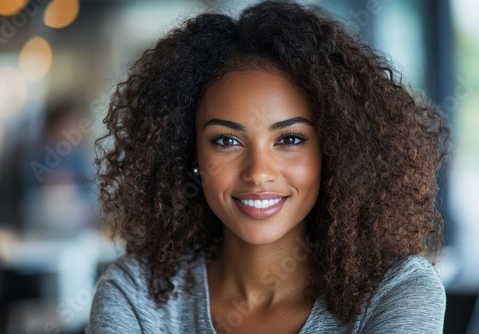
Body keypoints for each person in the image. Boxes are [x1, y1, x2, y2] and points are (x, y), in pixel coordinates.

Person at [87, 1, 450, 333]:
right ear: (187, 153)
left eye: (290, 139)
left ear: (337, 152)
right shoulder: (136, 295)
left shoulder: (396, 291)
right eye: (226, 140)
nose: (259, 172)